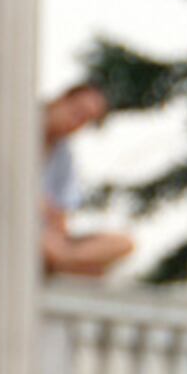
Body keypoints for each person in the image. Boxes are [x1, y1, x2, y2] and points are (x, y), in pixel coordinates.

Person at [41, 83, 134, 277]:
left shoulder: (64, 156)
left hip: (51, 237)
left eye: (85, 120)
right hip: (21, 228)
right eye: (77, 112)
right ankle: (65, 262)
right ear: (62, 100)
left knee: (123, 243)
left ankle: (61, 261)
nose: (76, 123)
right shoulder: (18, 130)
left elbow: (61, 216)